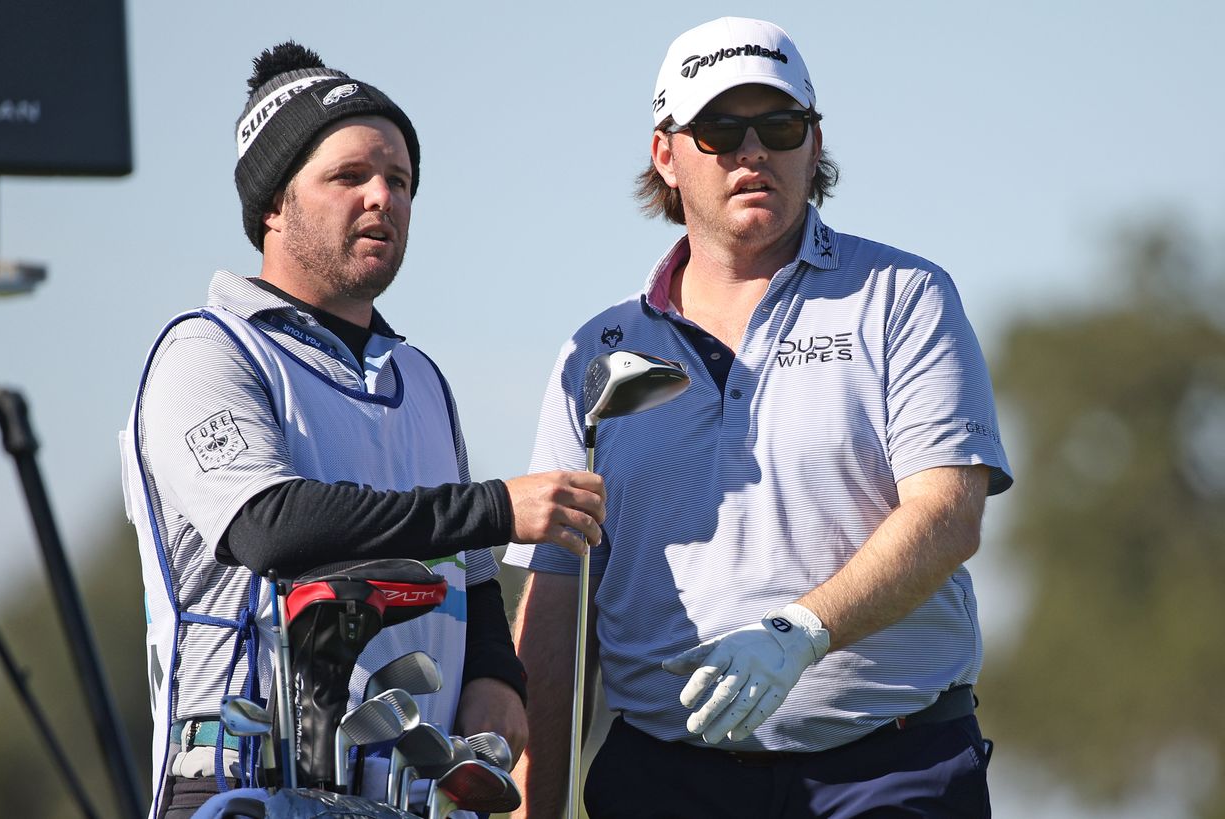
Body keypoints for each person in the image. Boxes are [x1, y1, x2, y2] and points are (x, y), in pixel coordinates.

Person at [505, 16, 1012, 818]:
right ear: (665, 155)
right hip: (666, 779)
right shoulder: (595, 353)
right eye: (718, 128)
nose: (753, 151)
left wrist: (798, 632)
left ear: (814, 146)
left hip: (890, 768)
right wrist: (536, 807)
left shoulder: (904, 296)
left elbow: (948, 514)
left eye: (779, 125)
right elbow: (560, 602)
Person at [119, 42, 606, 819]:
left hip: (409, 795)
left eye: (400, 181)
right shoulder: (206, 349)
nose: (383, 197)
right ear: (273, 204)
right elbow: (269, 527)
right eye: (350, 177)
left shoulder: (421, 378)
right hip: (241, 781)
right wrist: (492, 507)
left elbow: (473, 580)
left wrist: (496, 680)